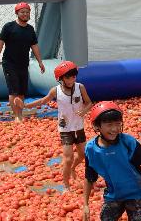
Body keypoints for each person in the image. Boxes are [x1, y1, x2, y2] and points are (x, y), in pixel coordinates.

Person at [25, 60, 92, 189]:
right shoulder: (56, 91)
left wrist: (84, 110)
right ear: (60, 78)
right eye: (68, 77)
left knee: (83, 155)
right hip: (65, 129)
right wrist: (26, 106)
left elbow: (89, 103)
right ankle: (66, 186)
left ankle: (72, 169)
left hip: (78, 127)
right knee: (68, 158)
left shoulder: (80, 87)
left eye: (74, 76)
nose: (72, 79)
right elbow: (43, 101)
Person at [0, 2, 45, 123]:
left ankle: (20, 114)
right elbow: (0, 42)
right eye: (22, 12)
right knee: (14, 90)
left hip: (23, 64)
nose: (25, 14)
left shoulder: (30, 29)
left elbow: (34, 46)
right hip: (9, 63)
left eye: (27, 12)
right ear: (17, 13)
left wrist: (40, 62)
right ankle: (16, 116)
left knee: (21, 91)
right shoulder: (9, 27)